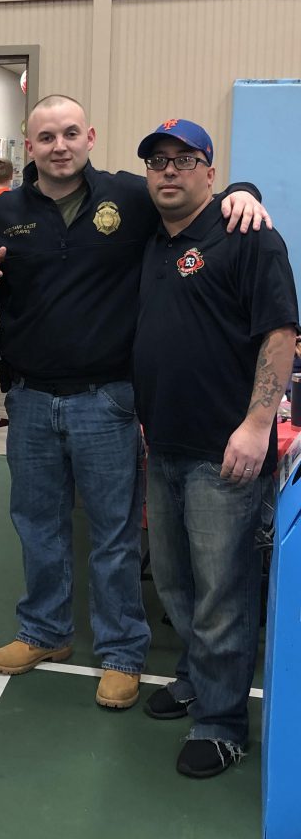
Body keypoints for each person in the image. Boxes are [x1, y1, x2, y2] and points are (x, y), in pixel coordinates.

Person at [0, 95, 269, 711]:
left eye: (70, 133)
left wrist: (244, 187)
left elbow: (191, 199)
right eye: (46, 136)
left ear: (90, 137)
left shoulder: (129, 197)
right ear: (29, 146)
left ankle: (122, 651)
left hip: (105, 398)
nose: (59, 146)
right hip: (26, 396)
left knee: (114, 533)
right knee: (38, 523)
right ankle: (45, 632)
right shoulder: (1, 212)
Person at [133, 118, 297, 777]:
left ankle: (223, 722)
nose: (168, 171)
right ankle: (201, 676)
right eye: (157, 162)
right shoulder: (151, 242)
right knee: (176, 582)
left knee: (224, 591)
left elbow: (280, 331)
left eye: (183, 160)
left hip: (223, 450)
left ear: (209, 170)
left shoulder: (249, 238)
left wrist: (258, 424)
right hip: (163, 442)